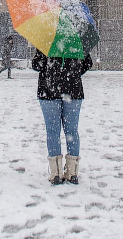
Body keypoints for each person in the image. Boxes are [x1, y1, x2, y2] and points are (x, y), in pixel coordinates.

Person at [32, 50, 92, 185]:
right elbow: (88, 63)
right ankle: (72, 172)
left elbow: (37, 65)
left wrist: (52, 71)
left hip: (48, 90)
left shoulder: (46, 41)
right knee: (72, 131)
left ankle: (56, 173)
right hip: (73, 90)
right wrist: (73, 73)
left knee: (52, 132)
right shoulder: (77, 41)